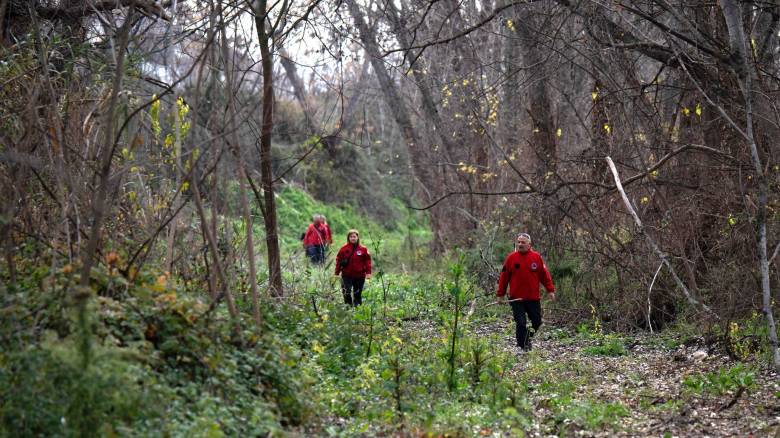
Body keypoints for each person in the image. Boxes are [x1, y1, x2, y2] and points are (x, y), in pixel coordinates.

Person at [497, 232, 556, 351]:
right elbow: (504, 277)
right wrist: (500, 294)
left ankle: (526, 339)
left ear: (529, 244)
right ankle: (522, 346)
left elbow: (545, 275)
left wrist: (550, 290)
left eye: (523, 242)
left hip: (533, 298)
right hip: (516, 298)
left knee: (537, 321)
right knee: (521, 323)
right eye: (518, 242)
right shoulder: (511, 258)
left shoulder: (536, 257)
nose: (520, 244)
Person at [334, 229, 372, 306]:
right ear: (348, 238)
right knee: (346, 292)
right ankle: (348, 307)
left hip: (359, 275)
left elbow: (367, 262)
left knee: (357, 293)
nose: (353, 238)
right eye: (351, 237)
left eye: (354, 236)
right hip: (346, 275)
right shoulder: (343, 249)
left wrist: (368, 273)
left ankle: (357, 308)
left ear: (357, 237)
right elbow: (339, 261)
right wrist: (336, 273)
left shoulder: (363, 249)